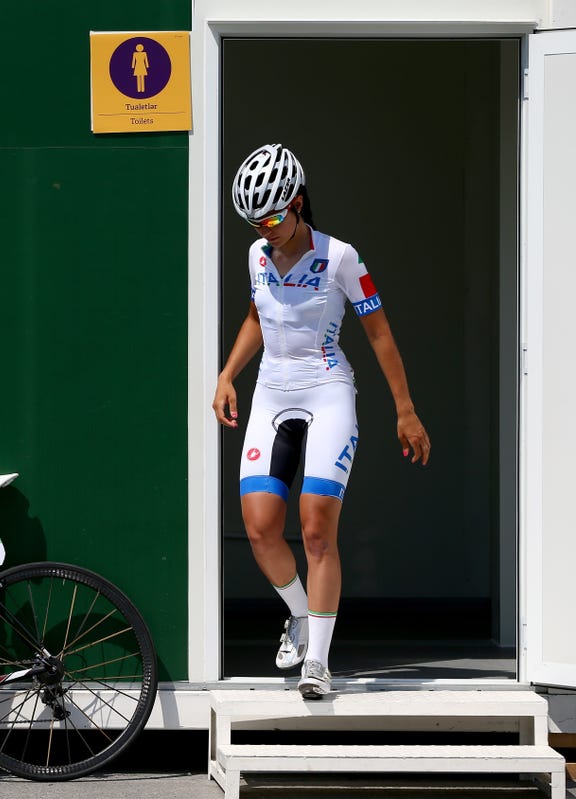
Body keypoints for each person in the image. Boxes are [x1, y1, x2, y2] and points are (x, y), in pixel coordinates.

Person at [212, 143, 430, 699]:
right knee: (260, 526)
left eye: (276, 215)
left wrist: (404, 410)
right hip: (270, 390)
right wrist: (227, 374)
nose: (268, 228)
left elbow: (379, 333)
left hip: (327, 388)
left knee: (314, 528)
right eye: (256, 222)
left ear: (299, 201)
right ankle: (301, 616)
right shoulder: (258, 255)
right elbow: (257, 315)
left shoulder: (341, 257)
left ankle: (320, 663)